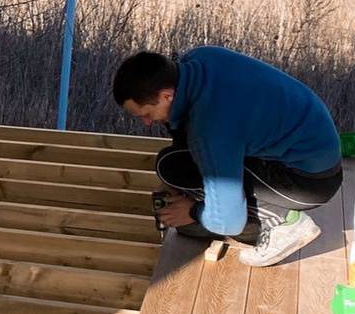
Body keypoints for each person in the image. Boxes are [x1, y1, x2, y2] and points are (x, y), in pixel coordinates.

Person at [113, 45, 343, 267]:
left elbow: (230, 222)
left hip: (309, 182)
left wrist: (192, 211)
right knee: (173, 166)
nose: (146, 122)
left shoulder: (210, 130)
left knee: (184, 181)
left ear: (166, 95)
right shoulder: (199, 59)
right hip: (314, 149)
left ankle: (284, 223)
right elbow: (186, 126)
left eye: (146, 114)